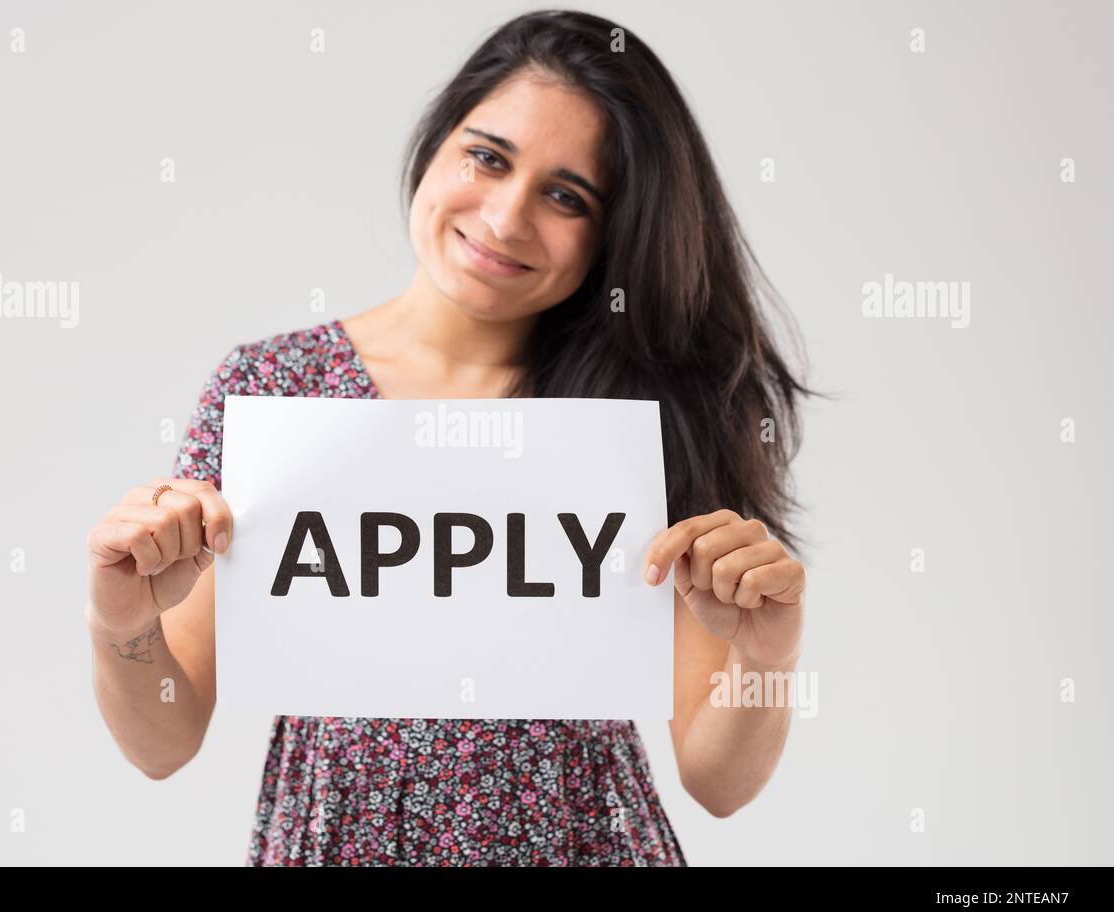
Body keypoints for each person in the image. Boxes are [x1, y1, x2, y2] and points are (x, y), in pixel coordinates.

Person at [84, 9, 820, 866]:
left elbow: (717, 781)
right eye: (487, 156)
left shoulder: (635, 420)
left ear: (613, 235)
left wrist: (771, 652)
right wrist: (120, 624)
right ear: (436, 142)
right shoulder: (272, 392)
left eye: (565, 195)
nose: (506, 218)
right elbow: (163, 741)